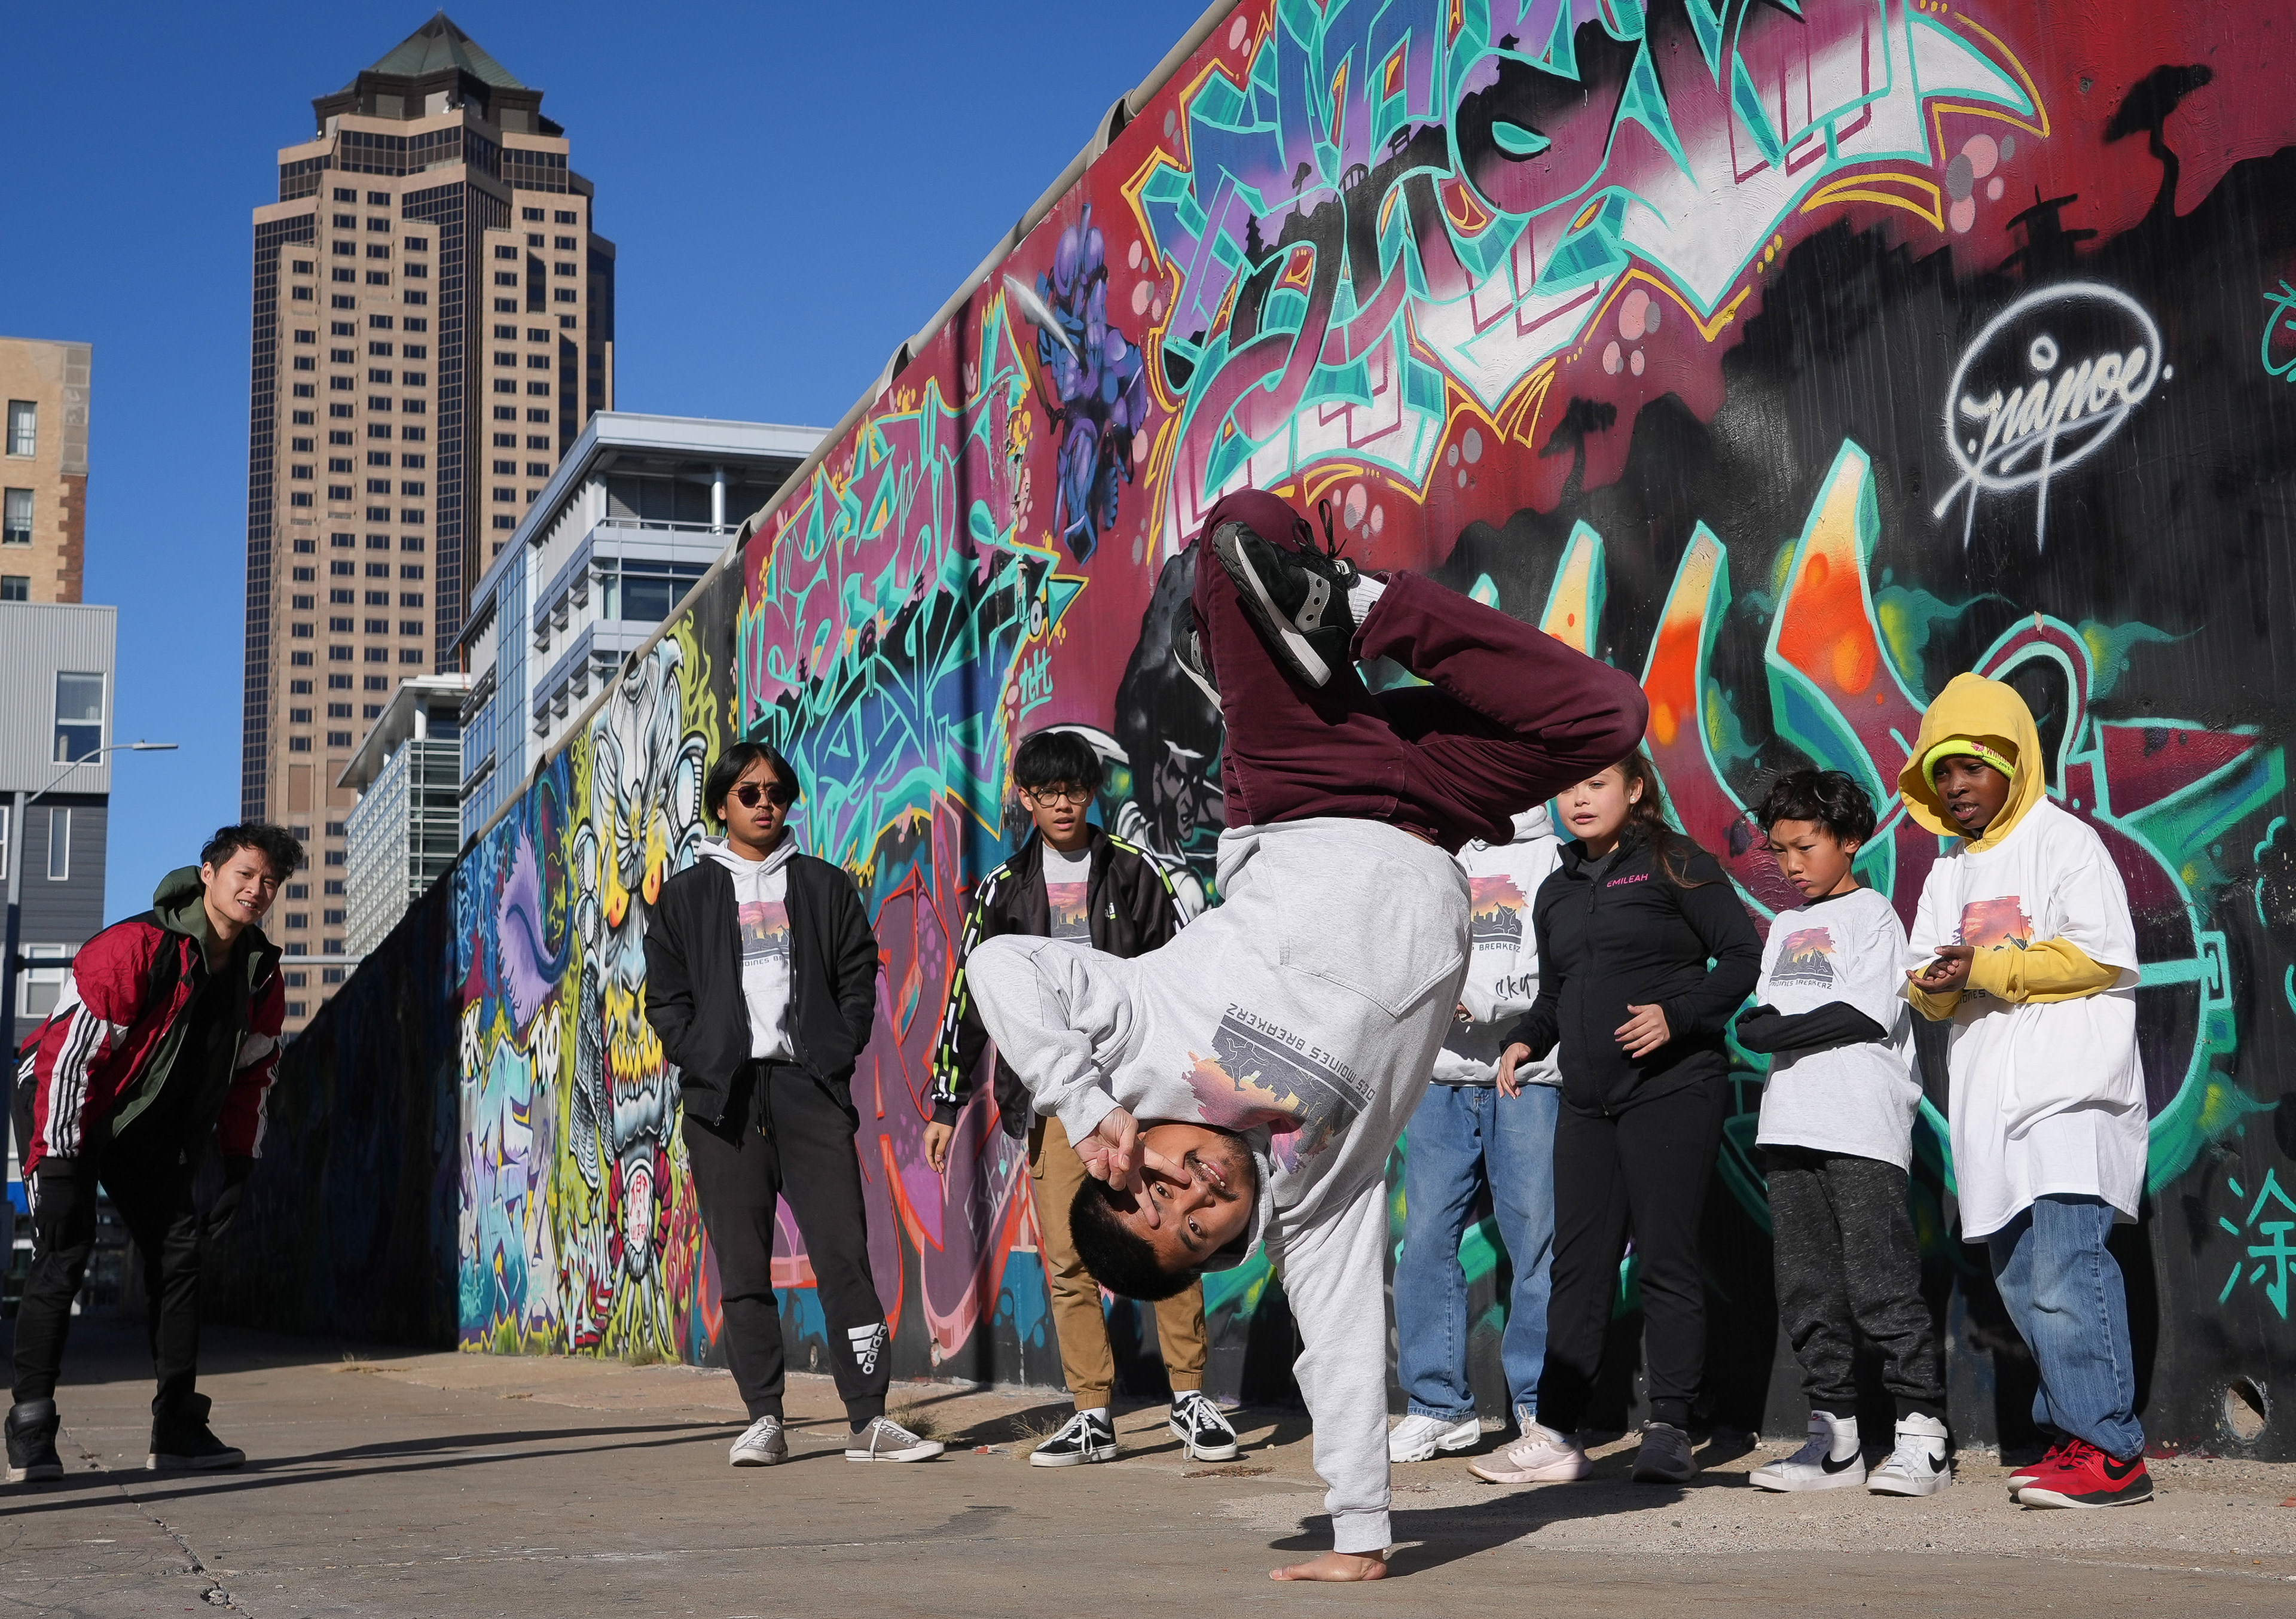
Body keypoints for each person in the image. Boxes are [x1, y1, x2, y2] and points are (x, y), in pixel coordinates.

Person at [961, 488, 1648, 1581]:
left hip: (1301, 792)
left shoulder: (1139, 1044)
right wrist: (1364, 1535)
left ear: (1130, 1156)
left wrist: (1083, 1104)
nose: (1188, 1193)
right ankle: (1363, 610)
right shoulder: (1313, 1196)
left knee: (1238, 532)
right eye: (1193, 1228)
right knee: (1605, 717)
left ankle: (1280, 622)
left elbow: (1001, 964)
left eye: (1152, 1188)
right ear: (1226, 1246)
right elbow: (1335, 1350)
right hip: (1435, 811)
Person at [923, 725, 1239, 1466]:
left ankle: (1190, 1399)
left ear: (1092, 793)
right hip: (1057, 1103)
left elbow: (1193, 973)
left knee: (1171, 1236)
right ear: (1025, 798)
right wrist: (946, 1102)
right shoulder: (1004, 891)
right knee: (1068, 1256)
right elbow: (969, 998)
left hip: (1147, 1092)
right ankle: (1091, 1412)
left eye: (1075, 789)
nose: (1063, 804)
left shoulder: (1139, 873)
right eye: (1047, 792)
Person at [643, 740, 941, 1467]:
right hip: (726, 1101)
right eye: (750, 793)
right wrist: (709, 1057)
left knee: (844, 1255)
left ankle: (868, 1419)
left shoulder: (822, 885)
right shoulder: (686, 895)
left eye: (777, 791)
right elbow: (665, 999)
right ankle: (764, 1418)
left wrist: (833, 1052)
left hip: (809, 1091)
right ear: (723, 805)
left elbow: (857, 973)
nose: (766, 803)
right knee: (743, 1266)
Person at [1900, 674, 2150, 1508]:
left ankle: (2111, 1451)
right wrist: (1936, 983)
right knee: (2017, 1278)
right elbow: (1926, 984)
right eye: (1942, 774)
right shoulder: (1949, 872)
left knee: (2066, 1270)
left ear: (2016, 760)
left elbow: (2102, 953)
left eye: (1972, 767)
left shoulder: (2067, 842)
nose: (1957, 787)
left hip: (2070, 1095)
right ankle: (2075, 1436)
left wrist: (1990, 965)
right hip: (1988, 1112)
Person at [1483, 752, 1762, 1488]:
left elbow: (1740, 956)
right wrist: (1526, 1037)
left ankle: (1670, 1427)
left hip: (1672, 1089)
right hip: (1586, 1100)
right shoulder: (1555, 889)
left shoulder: (1676, 863)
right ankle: (1558, 1436)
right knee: (1577, 1266)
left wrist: (1680, 1015)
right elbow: (1556, 994)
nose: (1578, 798)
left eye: (1597, 783)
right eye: (1568, 784)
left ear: (1634, 789)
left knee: (1667, 1258)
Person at [7, 825, 301, 1484]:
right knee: (64, 1249)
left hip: (148, 1129)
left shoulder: (259, 976)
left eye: (270, 883)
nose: (257, 891)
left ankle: (177, 1427)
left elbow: (253, 1076)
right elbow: (66, 1060)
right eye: (245, 875)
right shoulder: (134, 949)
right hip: (67, 1105)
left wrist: (237, 1161)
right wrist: (56, 1162)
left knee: (178, 1254)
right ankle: (30, 1426)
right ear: (208, 873)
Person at [1735, 770, 1949, 1496]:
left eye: (1804, 846)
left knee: (1882, 1283)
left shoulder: (1875, 917)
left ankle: (1924, 1436)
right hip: (1788, 1124)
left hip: (1861, 1126)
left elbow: (1864, 1015)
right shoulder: (1788, 927)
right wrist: (1785, 1026)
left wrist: (1785, 1027)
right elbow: (1751, 1023)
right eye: (1779, 851)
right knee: (1807, 1287)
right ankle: (1837, 1445)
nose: (1790, 864)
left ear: (1850, 841)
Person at [1389, 807, 1564, 1465]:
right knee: (1426, 1239)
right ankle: (1439, 1407)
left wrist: (1484, 999)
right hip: (1441, 1075)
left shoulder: (1552, 857)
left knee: (1536, 1240)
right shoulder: (1441, 855)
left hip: (1529, 1074)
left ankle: (1539, 1407)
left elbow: (1561, 968)